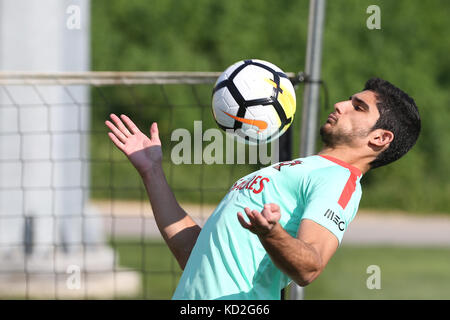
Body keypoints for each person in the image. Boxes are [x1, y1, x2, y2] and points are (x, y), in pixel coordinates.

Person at [105, 77, 421, 300]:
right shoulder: (301, 169)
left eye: (358, 106)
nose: (340, 104)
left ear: (379, 138)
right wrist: (151, 171)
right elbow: (194, 253)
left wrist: (272, 233)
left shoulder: (339, 180)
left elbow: (309, 267)